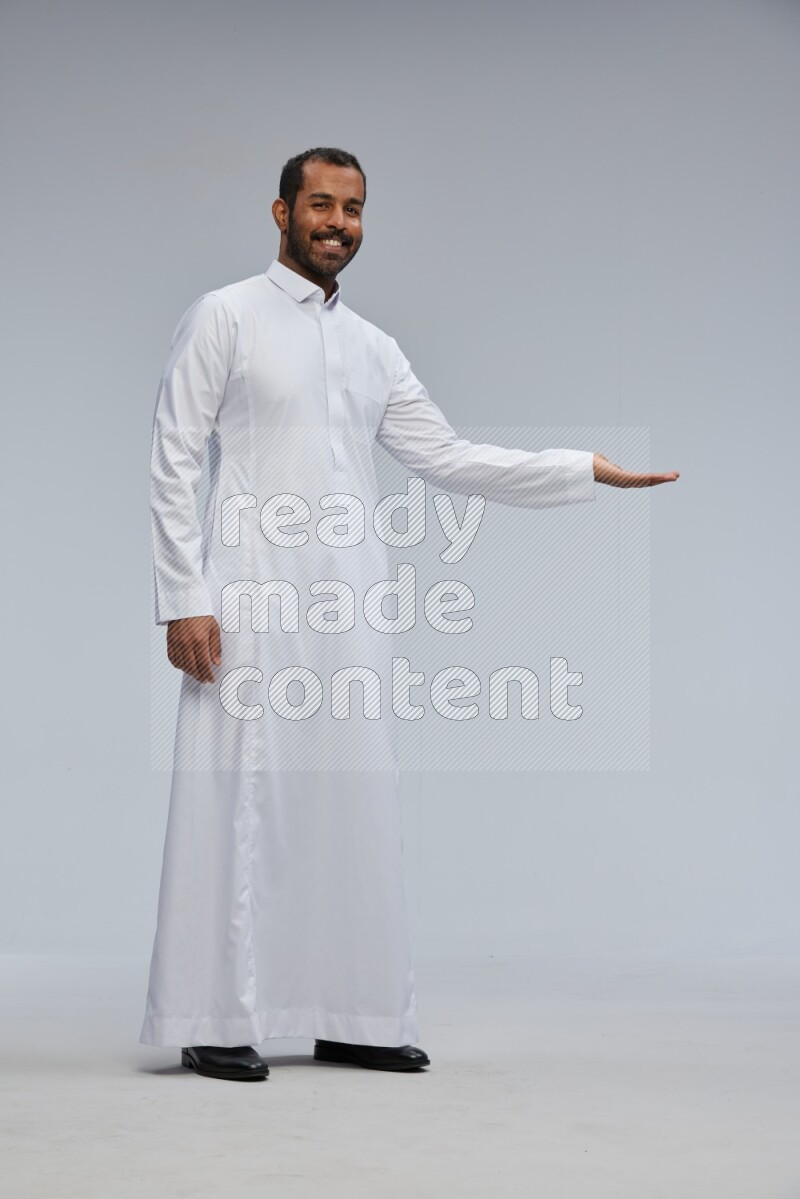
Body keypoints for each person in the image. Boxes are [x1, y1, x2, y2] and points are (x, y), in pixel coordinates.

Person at [140, 146, 679, 1083]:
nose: (337, 223)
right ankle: (215, 1013)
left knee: (352, 802)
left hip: (349, 605)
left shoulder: (372, 347)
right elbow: (174, 457)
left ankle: (353, 1011)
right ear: (280, 213)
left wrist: (576, 467)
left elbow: (448, 456)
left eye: (352, 208)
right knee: (237, 795)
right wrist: (184, 598)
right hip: (247, 600)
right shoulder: (225, 316)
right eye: (319, 204)